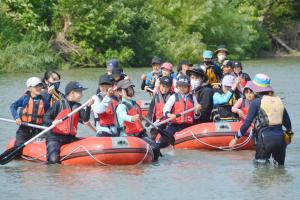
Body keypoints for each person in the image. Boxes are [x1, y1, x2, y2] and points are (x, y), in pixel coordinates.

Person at [229, 74, 292, 165]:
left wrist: (235, 138)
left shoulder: (256, 102)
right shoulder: (279, 101)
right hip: (281, 139)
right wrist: (286, 141)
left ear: (256, 89)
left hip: (265, 139)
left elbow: (247, 123)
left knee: (260, 171)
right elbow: (289, 126)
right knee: (280, 170)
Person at [43, 81, 94, 164]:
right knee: (53, 160)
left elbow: (85, 120)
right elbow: (45, 118)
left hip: (70, 138)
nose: (82, 95)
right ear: (72, 93)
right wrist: (53, 122)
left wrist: (88, 107)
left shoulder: (78, 106)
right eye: (80, 92)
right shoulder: (58, 104)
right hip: (55, 137)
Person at [115, 80, 161, 161]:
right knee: (154, 148)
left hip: (140, 134)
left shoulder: (134, 103)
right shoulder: (121, 106)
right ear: (119, 92)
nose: (130, 91)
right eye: (127, 90)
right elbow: (123, 116)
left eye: (130, 89)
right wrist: (131, 118)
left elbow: (139, 120)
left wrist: (145, 130)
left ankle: (154, 166)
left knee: (156, 147)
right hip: (128, 136)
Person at [10, 77, 50, 156]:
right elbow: (13, 106)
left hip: (38, 130)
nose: (39, 88)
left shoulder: (44, 101)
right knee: (18, 152)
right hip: (24, 130)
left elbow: (50, 114)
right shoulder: (24, 99)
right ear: (29, 88)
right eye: (36, 86)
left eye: (40, 86)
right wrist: (16, 117)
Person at [159, 75, 201, 148]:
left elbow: (196, 115)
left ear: (188, 87)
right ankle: (159, 145)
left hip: (188, 125)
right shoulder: (173, 97)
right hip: (175, 124)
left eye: (184, 86)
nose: (182, 88)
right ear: (177, 87)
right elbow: (166, 108)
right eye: (180, 86)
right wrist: (169, 115)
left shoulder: (193, 98)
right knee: (164, 138)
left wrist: (197, 111)